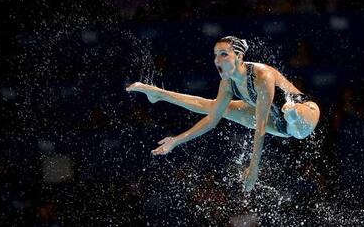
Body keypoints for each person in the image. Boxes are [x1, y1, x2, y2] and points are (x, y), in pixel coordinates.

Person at [126, 36, 320, 191]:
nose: (217, 60)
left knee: (298, 127)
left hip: (304, 112)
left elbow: (260, 127)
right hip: (279, 125)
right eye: (215, 55)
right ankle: (158, 94)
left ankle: (292, 113)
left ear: (239, 56)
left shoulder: (262, 76)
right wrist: (176, 140)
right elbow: (212, 119)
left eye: (223, 54)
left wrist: (253, 169)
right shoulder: (227, 84)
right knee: (217, 107)